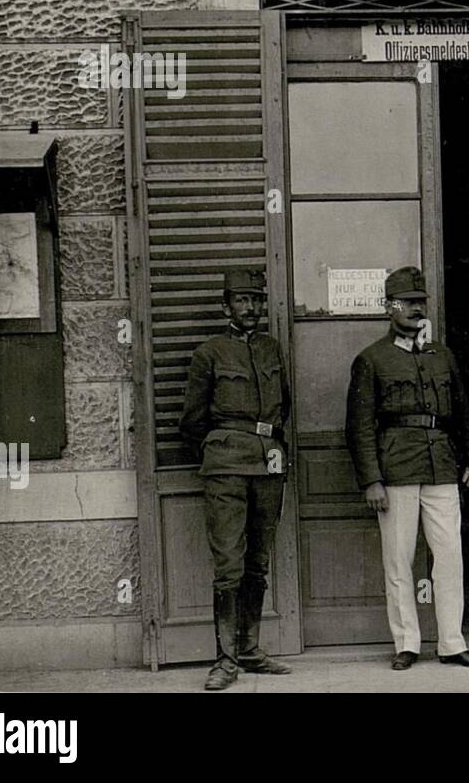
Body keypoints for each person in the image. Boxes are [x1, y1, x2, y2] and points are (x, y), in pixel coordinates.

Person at [345, 265, 469, 670]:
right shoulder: (371, 360)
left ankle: (451, 643)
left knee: (449, 557)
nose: (414, 307)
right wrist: (371, 479)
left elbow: (463, 414)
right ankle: (406, 643)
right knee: (399, 560)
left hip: (442, 468)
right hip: (396, 472)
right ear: (388, 307)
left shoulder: (441, 356)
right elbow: (358, 426)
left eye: (420, 301)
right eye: (406, 301)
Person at [179, 269, 294, 691]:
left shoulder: (271, 349)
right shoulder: (209, 353)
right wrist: (217, 453)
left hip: (268, 464)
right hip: (225, 465)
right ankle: (225, 660)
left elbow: (285, 410)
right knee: (229, 564)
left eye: (256, 300)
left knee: (258, 562)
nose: (250, 308)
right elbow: (192, 421)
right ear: (225, 306)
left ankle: (250, 649)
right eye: (241, 300)